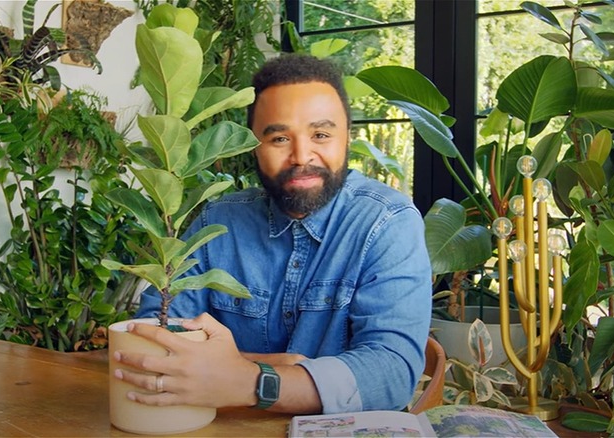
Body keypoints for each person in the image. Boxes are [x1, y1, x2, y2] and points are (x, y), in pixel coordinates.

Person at [113, 53, 432, 415]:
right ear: (253, 145)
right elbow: (150, 333)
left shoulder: (387, 222)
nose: (301, 155)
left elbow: (391, 371)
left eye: (321, 135)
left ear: (347, 139)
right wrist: (270, 364)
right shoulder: (217, 221)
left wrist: (249, 379)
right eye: (280, 138)